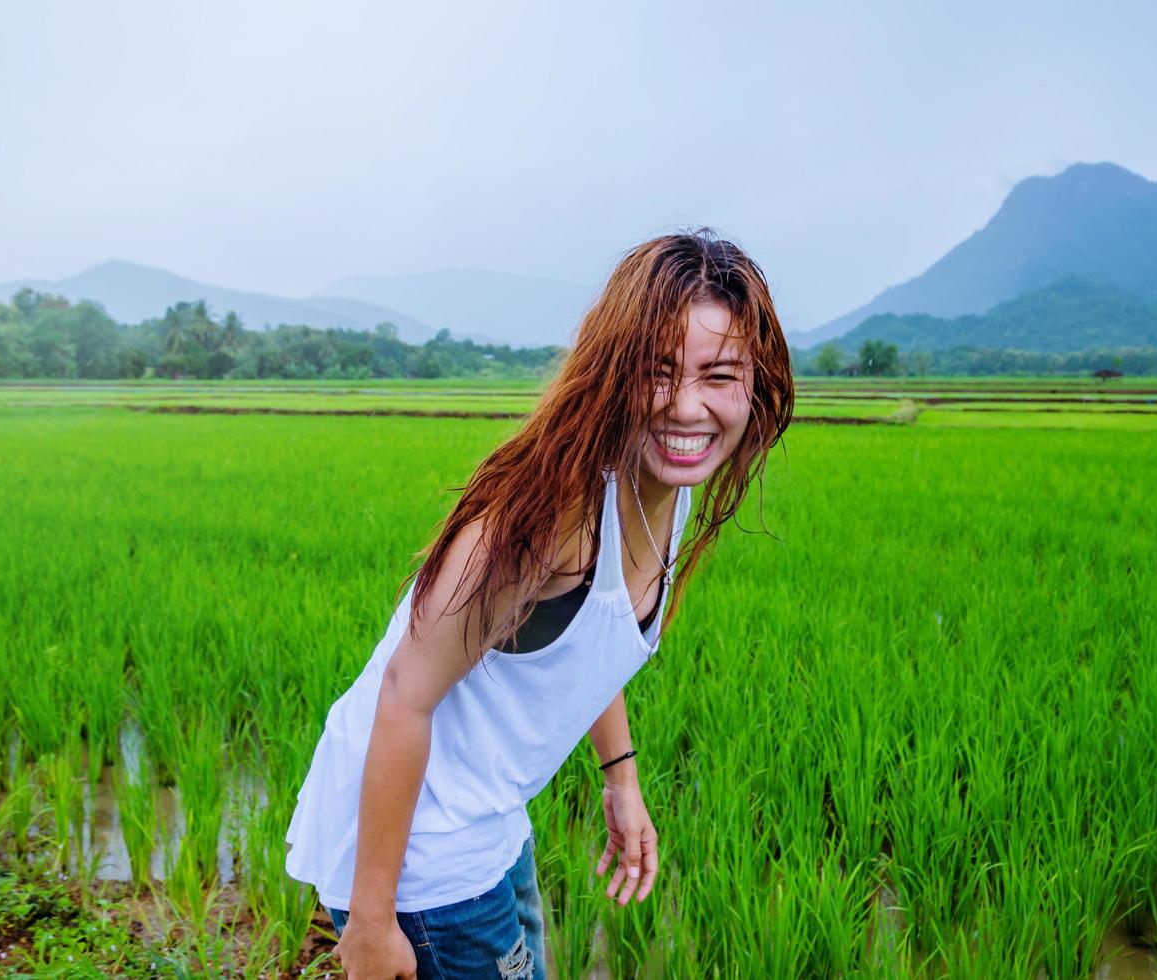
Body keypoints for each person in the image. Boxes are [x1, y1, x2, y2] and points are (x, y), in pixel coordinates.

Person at [283, 228, 795, 979]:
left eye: (718, 375)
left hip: (490, 820)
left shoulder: (666, 487)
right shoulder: (548, 523)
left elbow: (590, 647)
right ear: (611, 371)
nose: (686, 408)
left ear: (757, 382)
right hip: (422, 855)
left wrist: (621, 777)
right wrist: (370, 923)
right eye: (656, 371)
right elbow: (402, 696)